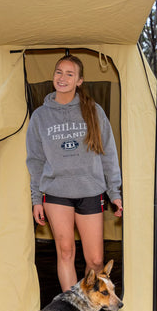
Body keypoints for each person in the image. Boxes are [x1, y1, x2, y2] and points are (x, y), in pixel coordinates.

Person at [26, 54, 123, 292]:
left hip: (90, 190)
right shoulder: (40, 116)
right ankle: (74, 308)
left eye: (70, 74)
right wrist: (36, 198)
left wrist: (115, 192)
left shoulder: (94, 111)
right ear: (53, 76)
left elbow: (108, 153)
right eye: (59, 72)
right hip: (56, 193)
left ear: (79, 81)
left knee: (96, 261)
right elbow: (36, 160)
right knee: (66, 252)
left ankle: (93, 304)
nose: (63, 77)